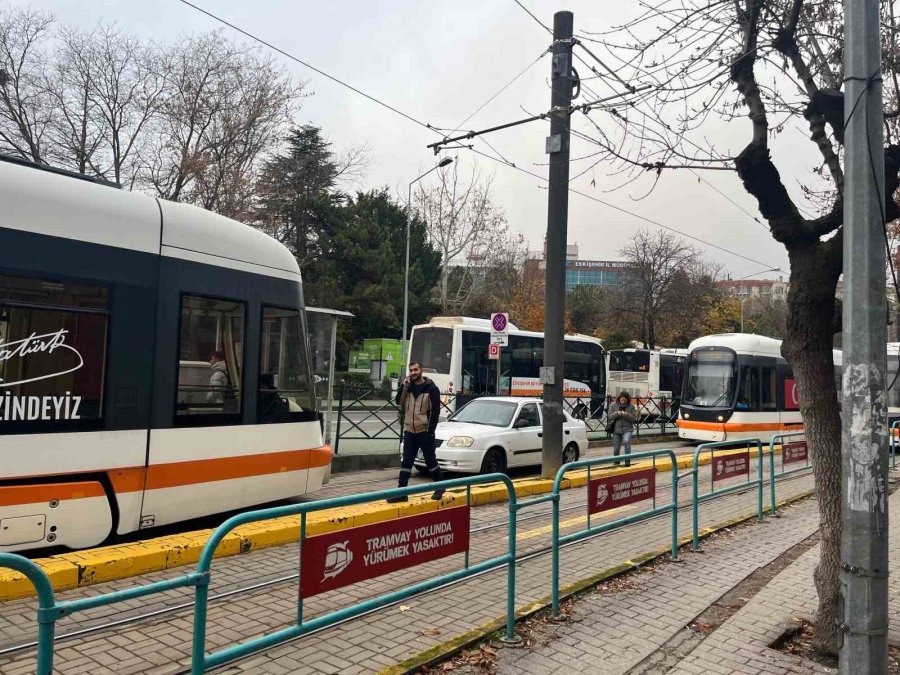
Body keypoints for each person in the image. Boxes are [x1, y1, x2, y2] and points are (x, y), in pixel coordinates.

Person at [387, 361, 444, 503]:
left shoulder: (431, 388)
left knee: (430, 461)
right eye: (411, 370)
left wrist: (430, 430)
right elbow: (398, 402)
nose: (413, 372)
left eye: (415, 370)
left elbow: (435, 411)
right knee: (406, 461)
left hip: (424, 431)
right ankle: (402, 492)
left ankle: (440, 486)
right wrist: (403, 386)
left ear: (421, 371)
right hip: (409, 430)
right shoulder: (408, 387)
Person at [608, 391, 637, 467]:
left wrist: (627, 414)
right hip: (616, 429)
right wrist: (617, 413)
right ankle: (616, 463)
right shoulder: (613, 405)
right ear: (619, 399)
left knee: (626, 441)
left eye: (625, 400)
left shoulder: (631, 407)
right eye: (622, 400)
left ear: (628, 400)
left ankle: (627, 461)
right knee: (616, 447)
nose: (623, 402)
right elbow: (610, 416)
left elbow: (634, 418)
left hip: (628, 429)